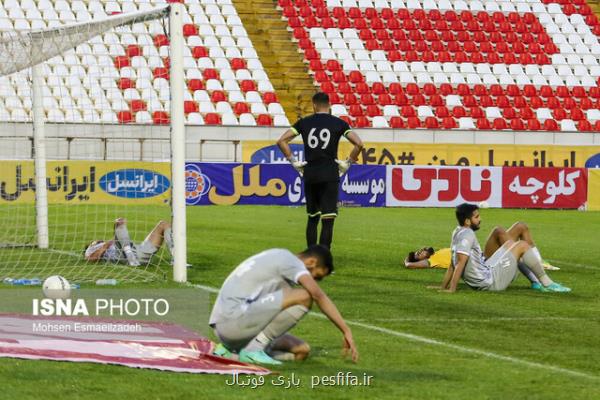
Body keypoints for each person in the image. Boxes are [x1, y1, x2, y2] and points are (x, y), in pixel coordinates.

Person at [209, 245, 359, 365]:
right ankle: (252, 350)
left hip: (226, 325)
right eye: (317, 276)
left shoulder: (277, 257)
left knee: (301, 350)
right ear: (311, 262)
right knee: (305, 295)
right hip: (232, 323)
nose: (314, 280)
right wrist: (346, 330)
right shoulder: (290, 262)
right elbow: (317, 295)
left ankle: (232, 351)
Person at [276, 92, 363, 249]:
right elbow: (359, 144)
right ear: (329, 105)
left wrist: (293, 161)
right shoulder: (339, 123)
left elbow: (281, 140)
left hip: (310, 173)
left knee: (312, 217)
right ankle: (323, 258)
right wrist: (348, 162)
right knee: (328, 219)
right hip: (330, 173)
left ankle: (311, 256)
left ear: (314, 105)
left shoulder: (304, 122)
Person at [435, 203, 571, 293]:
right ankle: (547, 283)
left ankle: (536, 280)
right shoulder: (468, 235)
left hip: (486, 272)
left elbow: (453, 263)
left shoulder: (457, 231)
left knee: (509, 244)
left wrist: (443, 287)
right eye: (477, 217)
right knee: (522, 245)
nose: (480, 219)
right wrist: (452, 289)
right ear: (467, 221)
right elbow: (459, 263)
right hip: (489, 282)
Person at [405, 223, 559, 274]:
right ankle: (537, 266)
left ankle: (537, 259)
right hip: (485, 261)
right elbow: (411, 265)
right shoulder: (432, 260)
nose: (421, 250)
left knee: (521, 227)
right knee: (498, 231)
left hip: (482, 256)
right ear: (423, 259)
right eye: (419, 254)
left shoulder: (439, 252)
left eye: (420, 249)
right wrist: (408, 261)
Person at [84, 218, 174, 266]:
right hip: (121, 256)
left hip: (138, 251)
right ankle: (130, 256)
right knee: (118, 222)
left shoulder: (109, 242)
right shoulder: (92, 247)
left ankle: (175, 259)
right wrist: (106, 244)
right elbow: (90, 258)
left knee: (163, 224)